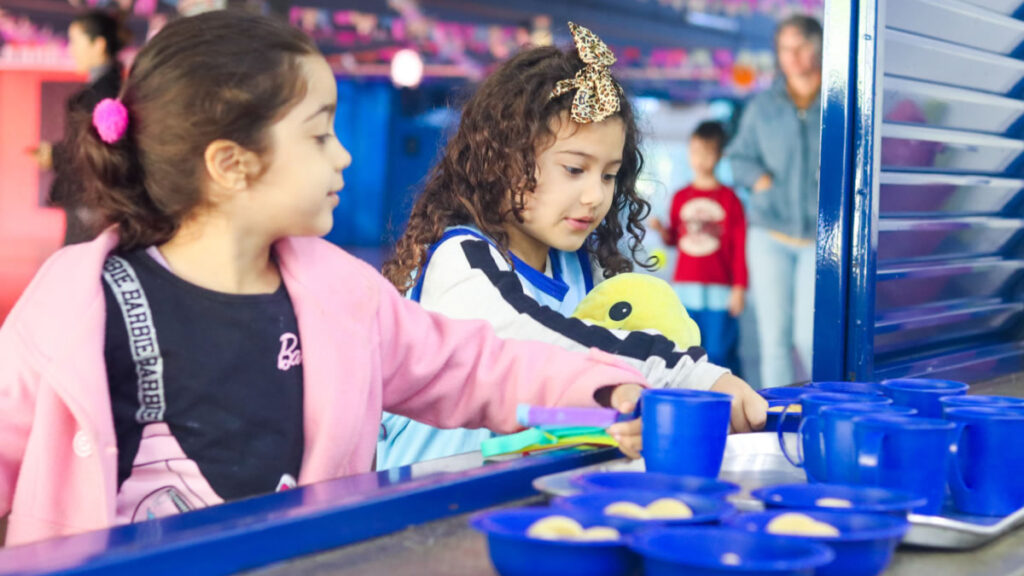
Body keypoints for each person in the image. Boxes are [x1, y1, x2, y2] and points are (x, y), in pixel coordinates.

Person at [0, 11, 647, 546]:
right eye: (318, 136)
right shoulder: (76, 305)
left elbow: (475, 369)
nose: (344, 154)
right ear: (232, 164)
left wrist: (607, 388)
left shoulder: (342, 297)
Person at [378, 23, 767, 469]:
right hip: (424, 499)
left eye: (608, 175)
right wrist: (692, 375)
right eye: (574, 170)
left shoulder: (579, 266)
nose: (595, 197)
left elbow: (629, 337)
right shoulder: (460, 260)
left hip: (528, 486)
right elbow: (546, 344)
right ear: (504, 160)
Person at [724, 14, 822, 388]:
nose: (793, 56)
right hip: (769, 233)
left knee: (810, 338)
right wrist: (759, 180)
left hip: (819, 237)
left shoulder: (836, 102)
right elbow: (738, 157)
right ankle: (776, 419)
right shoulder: (764, 106)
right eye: (785, 49)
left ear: (818, 46)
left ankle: (827, 412)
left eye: (801, 46)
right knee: (773, 340)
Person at [649, 121, 746, 374]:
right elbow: (675, 240)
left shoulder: (730, 199)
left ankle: (729, 398)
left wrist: (739, 288)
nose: (700, 159)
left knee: (719, 350)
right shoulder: (681, 196)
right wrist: (662, 231)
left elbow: (739, 247)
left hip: (720, 287)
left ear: (719, 155)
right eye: (695, 151)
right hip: (686, 284)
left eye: (707, 152)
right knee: (687, 347)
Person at [35, 10, 129, 245]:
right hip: (96, 200)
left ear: (98, 45)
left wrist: (55, 154)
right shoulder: (112, 89)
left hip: (93, 200)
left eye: (76, 42)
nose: (71, 49)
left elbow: (93, 149)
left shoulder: (102, 96)